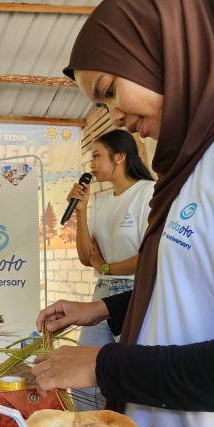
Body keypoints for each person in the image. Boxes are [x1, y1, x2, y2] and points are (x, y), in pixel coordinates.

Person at [31, 0, 214, 427]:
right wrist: (103, 310)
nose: (113, 117)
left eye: (109, 91)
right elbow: (193, 286)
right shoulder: (199, 156)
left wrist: (104, 364)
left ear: (164, 49)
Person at [67, 129, 155, 409]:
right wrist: (81, 211)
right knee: (83, 377)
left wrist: (107, 267)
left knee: (127, 376)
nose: (91, 164)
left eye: (97, 156)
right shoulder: (101, 201)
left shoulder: (147, 192)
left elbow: (150, 256)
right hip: (102, 293)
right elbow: (86, 256)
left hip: (134, 294)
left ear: (120, 157)